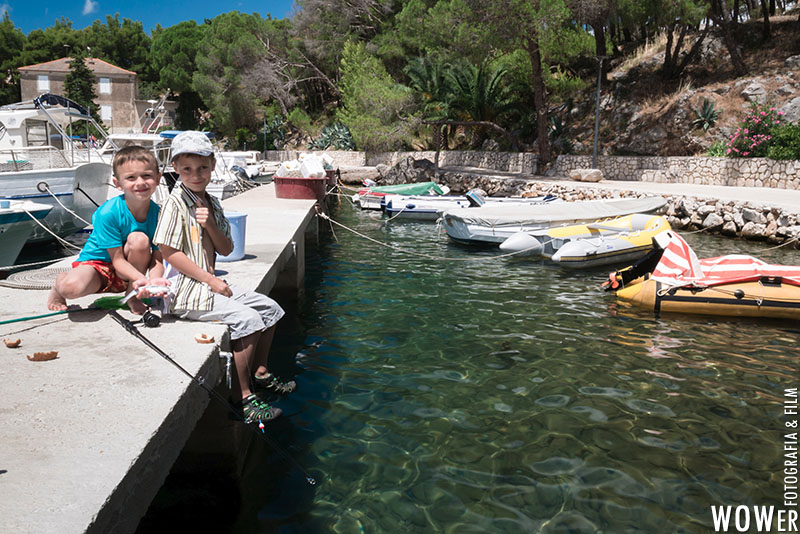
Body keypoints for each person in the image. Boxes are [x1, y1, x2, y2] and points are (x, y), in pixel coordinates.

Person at [152, 131, 294, 424]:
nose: (196, 175)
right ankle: (242, 400)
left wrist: (211, 224)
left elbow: (227, 248)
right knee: (248, 320)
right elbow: (167, 251)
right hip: (185, 289)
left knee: (271, 310)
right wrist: (210, 279)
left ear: (213, 165)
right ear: (176, 167)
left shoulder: (212, 203)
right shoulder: (175, 202)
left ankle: (260, 373)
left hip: (207, 283)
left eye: (202, 167)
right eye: (187, 169)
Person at [48, 145, 167, 313]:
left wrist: (154, 281)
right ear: (118, 183)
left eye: (146, 176)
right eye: (131, 177)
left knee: (140, 240)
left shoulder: (160, 215)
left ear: (158, 178)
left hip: (129, 272)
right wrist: (141, 278)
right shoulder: (108, 212)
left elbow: (157, 258)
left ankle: (131, 295)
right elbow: (117, 260)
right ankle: (58, 285)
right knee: (71, 288)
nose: (140, 182)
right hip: (97, 265)